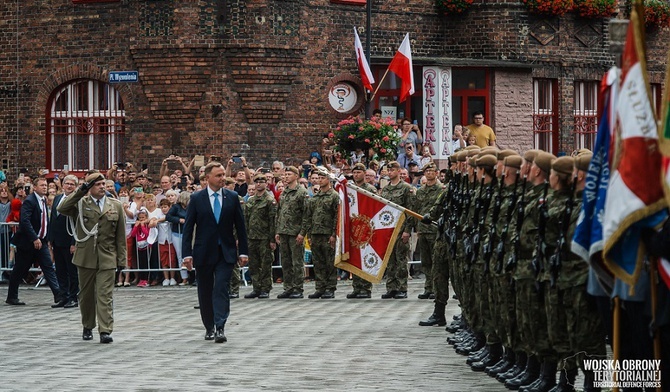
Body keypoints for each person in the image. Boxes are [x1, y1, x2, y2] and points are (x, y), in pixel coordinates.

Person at [182, 161, 249, 343]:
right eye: (218, 175)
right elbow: (188, 229)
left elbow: (240, 227)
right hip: (204, 252)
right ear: (207, 178)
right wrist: (186, 254)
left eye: (223, 175)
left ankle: (220, 326)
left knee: (221, 287)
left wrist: (243, 251)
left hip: (225, 252)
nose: (222, 178)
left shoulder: (232, 197)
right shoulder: (197, 198)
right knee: (205, 290)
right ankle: (209, 326)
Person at [58, 172, 127, 343]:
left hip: (107, 255)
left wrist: (121, 260)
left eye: (103, 183)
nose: (102, 187)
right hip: (86, 256)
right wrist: (80, 191)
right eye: (97, 184)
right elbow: (62, 208)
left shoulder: (115, 205)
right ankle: (88, 325)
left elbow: (120, 236)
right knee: (86, 295)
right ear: (89, 187)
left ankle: (105, 330)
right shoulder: (81, 204)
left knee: (105, 295)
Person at [5, 177, 61, 306]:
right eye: (42, 185)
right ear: (34, 188)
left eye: (46, 185)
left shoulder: (43, 200)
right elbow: (24, 221)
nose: (45, 187)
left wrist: (45, 238)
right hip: (27, 242)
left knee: (48, 267)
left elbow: (44, 222)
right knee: (20, 270)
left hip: (41, 242)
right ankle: (11, 296)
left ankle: (58, 295)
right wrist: (34, 237)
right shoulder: (30, 201)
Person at [379, 161, 414, 299]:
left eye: (393, 170)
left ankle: (402, 287)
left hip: (401, 229)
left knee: (401, 259)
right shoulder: (386, 189)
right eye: (389, 170)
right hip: (389, 229)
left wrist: (407, 230)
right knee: (390, 259)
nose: (390, 172)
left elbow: (410, 210)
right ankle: (391, 287)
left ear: (399, 171)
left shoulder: (406, 188)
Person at [305, 167, 339, 299]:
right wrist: (309, 234)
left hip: (327, 233)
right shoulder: (315, 197)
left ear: (328, 179)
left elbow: (336, 216)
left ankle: (330, 288)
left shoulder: (334, 196)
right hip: (315, 233)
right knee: (318, 262)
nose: (319, 180)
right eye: (318, 178)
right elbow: (309, 216)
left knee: (329, 262)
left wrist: (333, 234)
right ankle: (320, 287)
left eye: (322, 178)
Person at [347, 163, 378, 299]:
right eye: (354, 173)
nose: (356, 175)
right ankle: (357, 287)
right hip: (354, 227)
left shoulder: (370, 189)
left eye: (359, 173)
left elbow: (375, 207)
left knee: (365, 257)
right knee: (355, 258)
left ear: (364, 174)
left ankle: (366, 288)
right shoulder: (350, 189)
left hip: (366, 227)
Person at [243, 173, 277, 299]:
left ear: (266, 184)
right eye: (256, 182)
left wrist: (272, 239)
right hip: (252, 237)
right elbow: (246, 219)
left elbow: (273, 221)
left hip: (265, 237)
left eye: (261, 182)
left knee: (265, 264)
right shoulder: (251, 200)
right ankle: (256, 287)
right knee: (253, 264)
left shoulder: (269, 200)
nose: (258, 184)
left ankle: (265, 288)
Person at [48, 174, 79, 308]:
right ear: (63, 184)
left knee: (71, 271)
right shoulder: (58, 198)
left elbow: (78, 223)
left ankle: (73, 297)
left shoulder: (77, 201)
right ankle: (64, 296)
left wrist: (74, 242)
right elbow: (53, 219)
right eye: (67, 183)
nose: (69, 186)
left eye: (72, 184)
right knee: (60, 270)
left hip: (69, 239)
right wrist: (50, 238)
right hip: (57, 240)